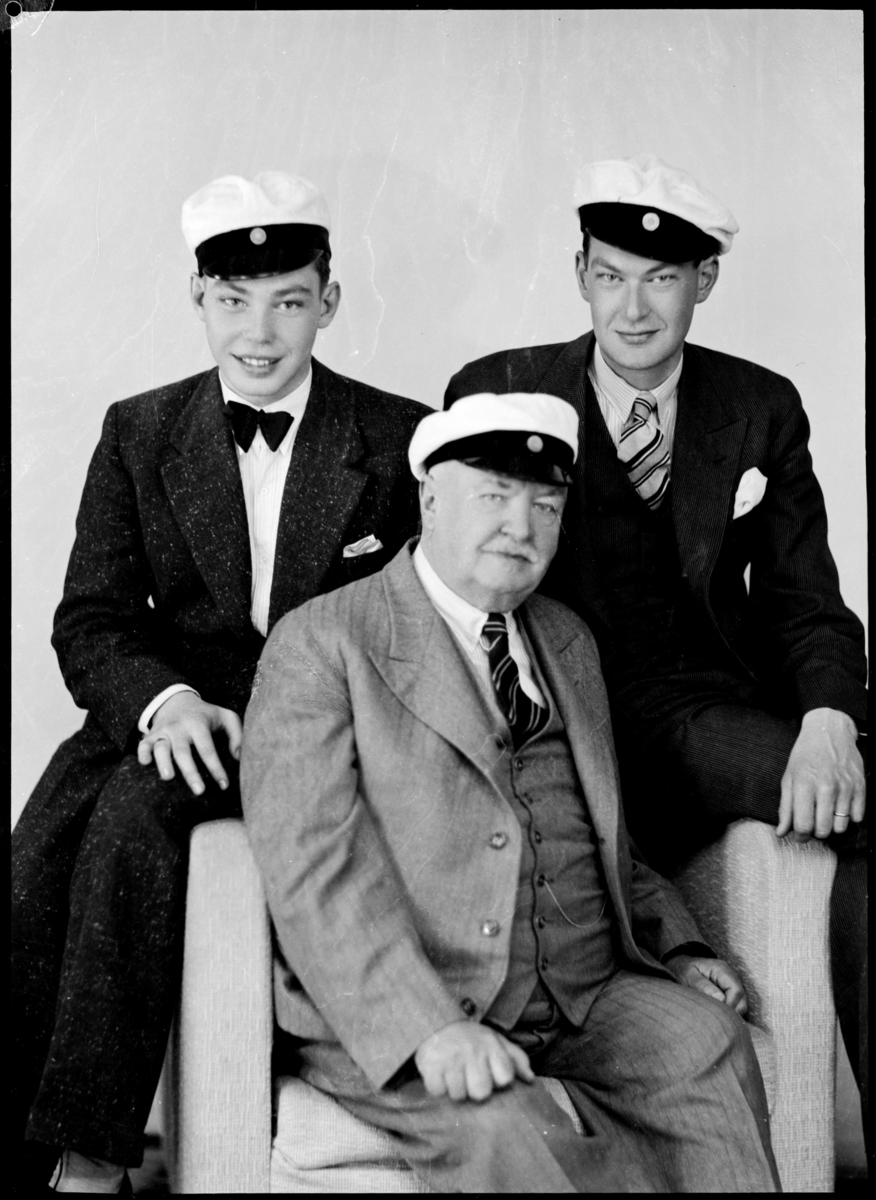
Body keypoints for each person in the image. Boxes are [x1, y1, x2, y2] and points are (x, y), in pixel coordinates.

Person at [241, 392, 781, 1193]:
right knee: (508, 1130)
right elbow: (311, 872)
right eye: (493, 497)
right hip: (424, 1000)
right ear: (430, 498)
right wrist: (427, 1029)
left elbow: (602, 837)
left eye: (545, 505)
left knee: (705, 1042)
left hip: (586, 992)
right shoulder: (324, 641)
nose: (520, 528)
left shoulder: (567, 638)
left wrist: (679, 945)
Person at [12, 170, 428, 1195]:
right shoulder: (139, 428)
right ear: (197, 296)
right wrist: (165, 703)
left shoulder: (398, 438)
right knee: (37, 855)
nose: (259, 333)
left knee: (136, 819)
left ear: (330, 302)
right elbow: (91, 618)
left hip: (320, 723)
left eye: (288, 302)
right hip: (175, 707)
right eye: (233, 300)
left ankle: (91, 1159)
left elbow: (417, 629)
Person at [443, 154, 868, 1128]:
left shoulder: (760, 404)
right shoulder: (499, 387)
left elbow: (806, 600)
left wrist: (828, 720)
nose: (632, 308)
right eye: (609, 275)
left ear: (704, 280)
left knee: (862, 798)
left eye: (661, 278)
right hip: (557, 721)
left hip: (704, 711)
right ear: (579, 273)